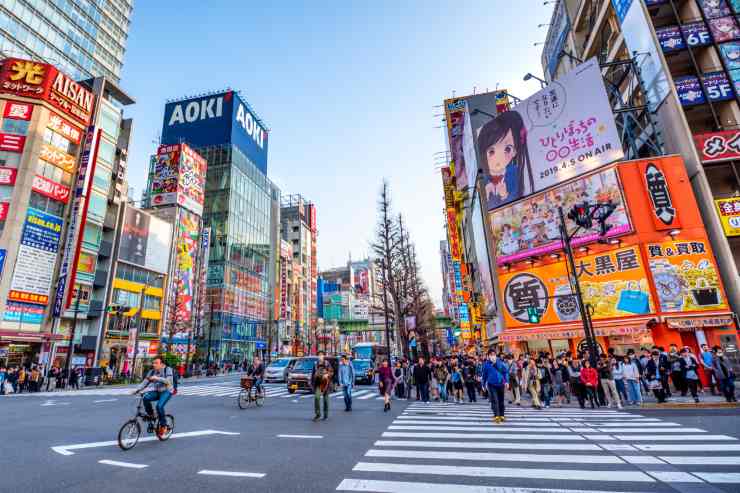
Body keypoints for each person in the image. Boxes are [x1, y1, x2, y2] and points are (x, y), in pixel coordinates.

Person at [133, 357, 174, 436]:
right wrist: (137, 390)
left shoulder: (167, 370)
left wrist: (157, 378)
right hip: (157, 391)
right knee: (145, 397)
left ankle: (163, 425)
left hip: (167, 391)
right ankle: (152, 416)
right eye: (153, 363)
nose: (153, 364)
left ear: (162, 364)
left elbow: (169, 381)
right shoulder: (152, 372)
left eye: (156, 363)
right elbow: (145, 382)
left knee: (159, 406)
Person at [481, 350, 509, 423]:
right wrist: (483, 385)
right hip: (491, 385)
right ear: (488, 356)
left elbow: (505, 372)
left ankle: (502, 415)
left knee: (501, 400)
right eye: (491, 355)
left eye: (494, 354)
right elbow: (484, 376)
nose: (493, 356)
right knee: (494, 400)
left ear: (496, 355)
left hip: (501, 384)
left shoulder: (500, 363)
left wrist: (506, 382)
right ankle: (496, 415)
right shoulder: (486, 365)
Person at [311, 352, 334, 421]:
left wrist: (327, 375)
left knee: (326, 400)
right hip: (318, 383)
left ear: (323, 356)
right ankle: (318, 415)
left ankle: (325, 415)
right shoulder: (315, 364)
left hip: (326, 383)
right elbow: (312, 374)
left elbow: (332, 372)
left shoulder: (327, 363)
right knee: (317, 398)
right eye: (319, 355)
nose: (320, 357)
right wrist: (312, 383)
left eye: (321, 355)